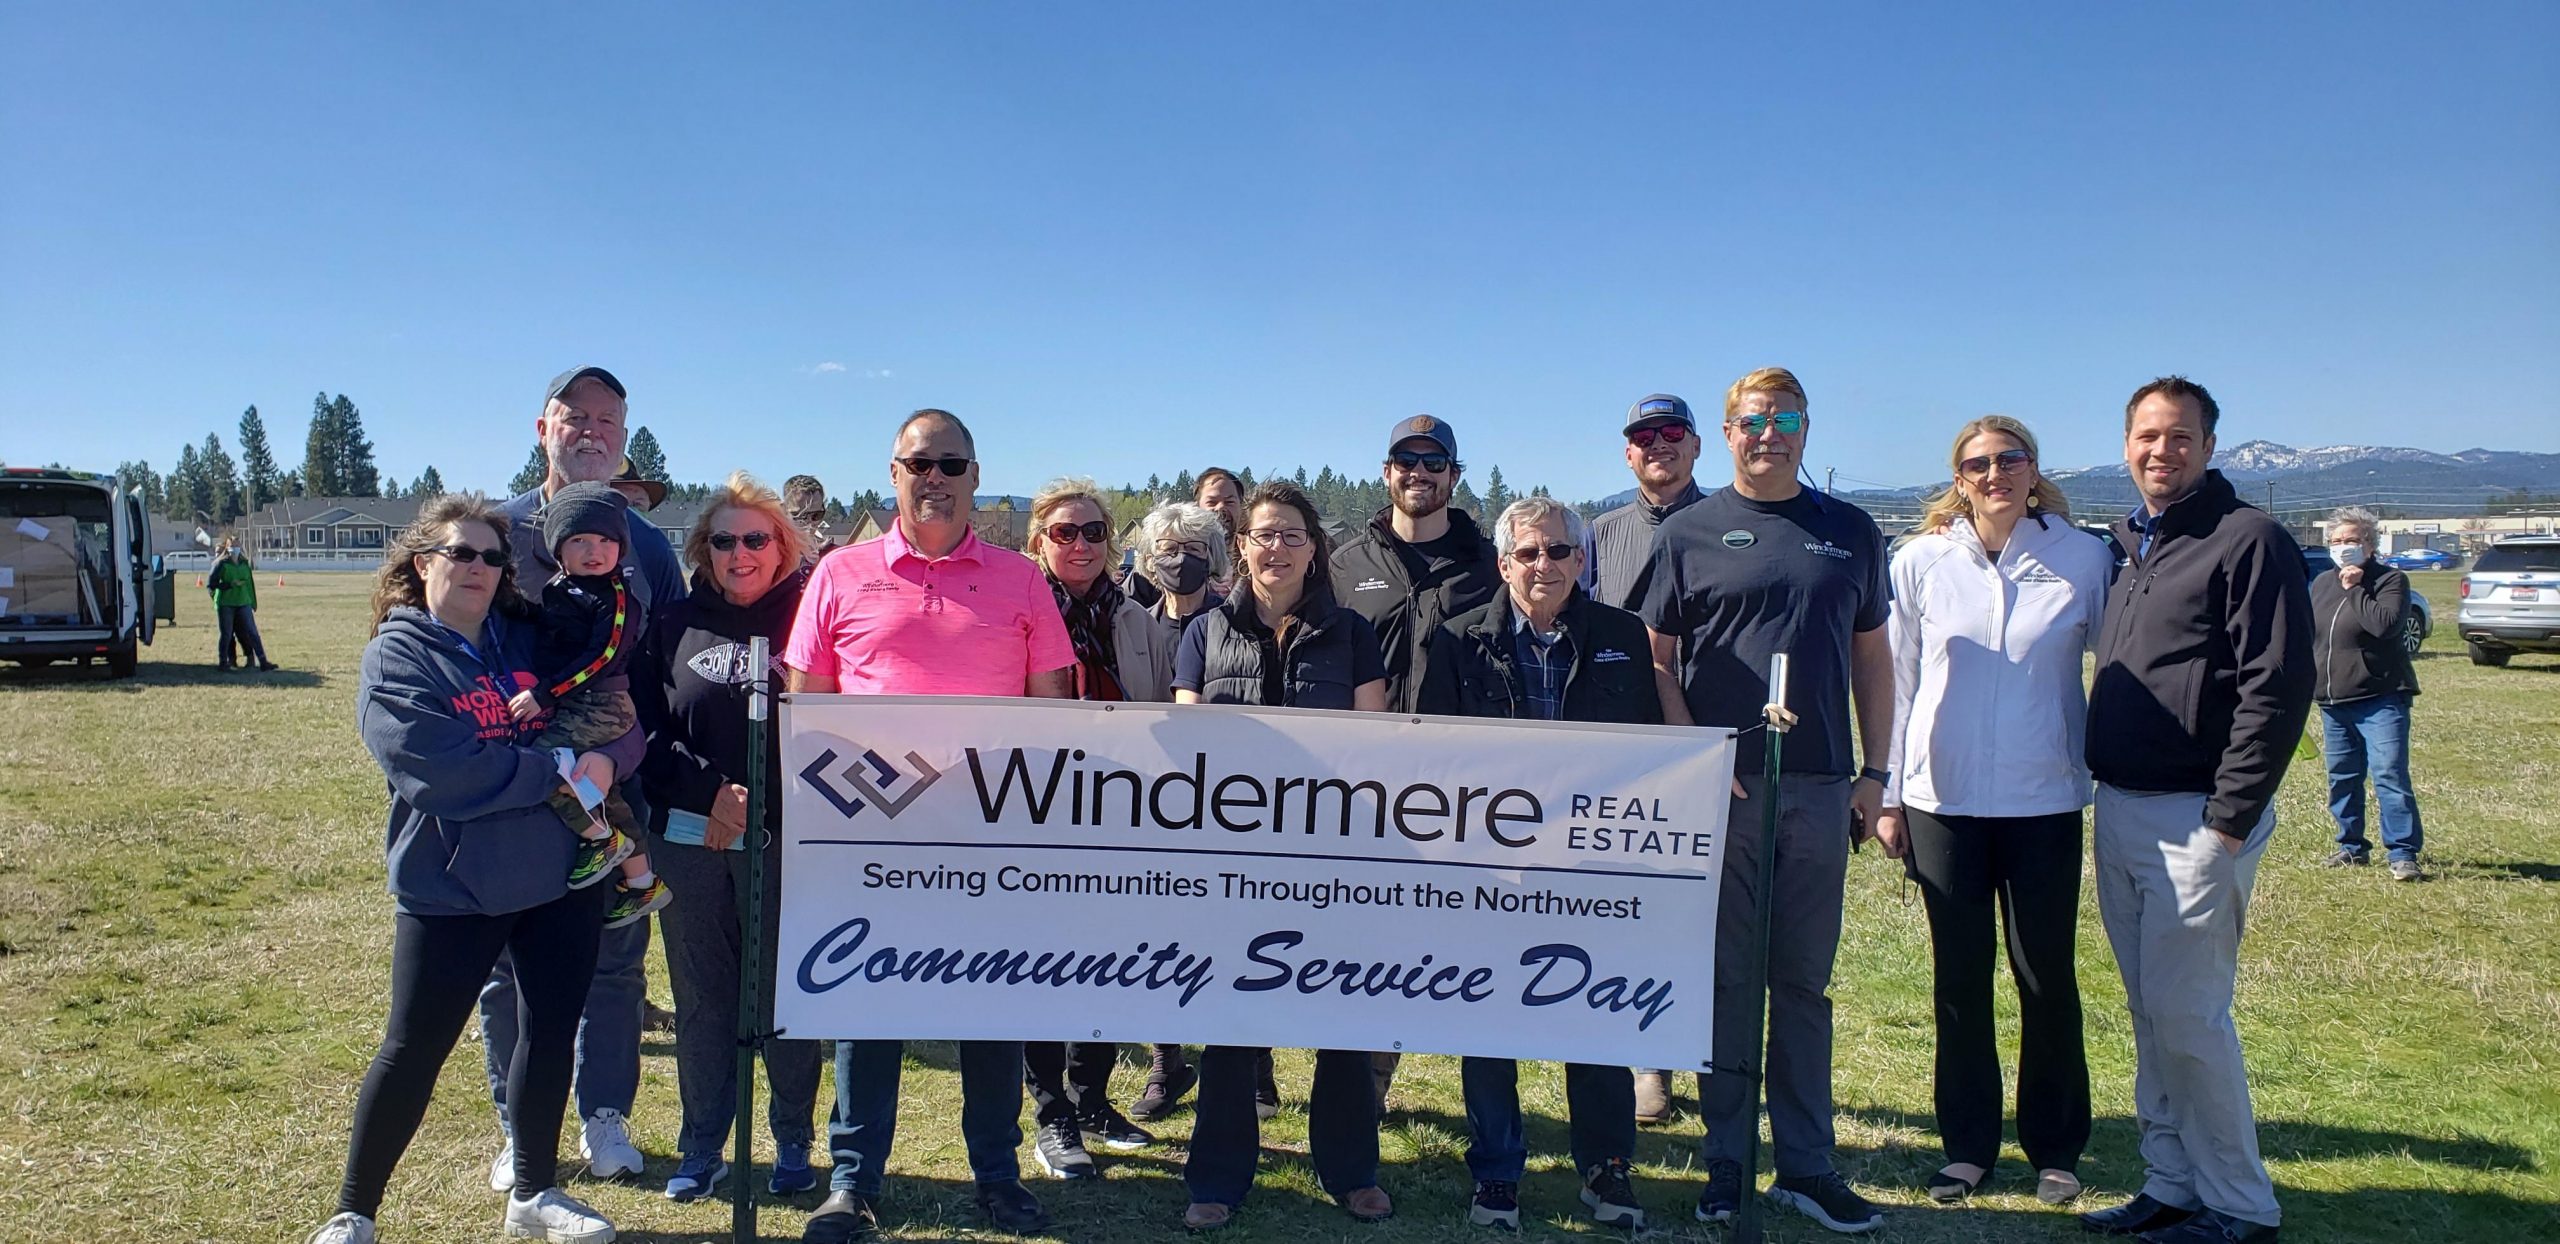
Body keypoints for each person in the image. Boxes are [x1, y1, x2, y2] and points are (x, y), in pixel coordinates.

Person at [305, 494, 635, 1244]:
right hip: (452, 885)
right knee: (414, 1047)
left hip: (560, 878)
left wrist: (606, 759)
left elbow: (613, 705)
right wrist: (552, 771)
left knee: (550, 1033)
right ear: (423, 563)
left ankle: (536, 1192)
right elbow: (439, 772)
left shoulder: (529, 636)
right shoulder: (397, 655)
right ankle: (354, 1210)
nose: (479, 568)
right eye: (462, 553)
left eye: (493, 557)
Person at [786, 409, 1074, 1242]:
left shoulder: (1022, 579)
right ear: (894, 473)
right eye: (921, 464)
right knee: (867, 1003)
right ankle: (853, 1180)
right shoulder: (839, 573)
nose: (935, 477)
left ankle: (997, 1173)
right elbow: (808, 704)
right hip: (872, 832)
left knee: (991, 1007)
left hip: (991, 831)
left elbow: (1053, 711)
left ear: (976, 476)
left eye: (951, 463)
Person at [1631, 366, 1891, 1234]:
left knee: (1803, 985)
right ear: (1728, 433)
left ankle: (1808, 1167)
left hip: (1819, 784)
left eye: (1784, 419)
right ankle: (1728, 1162)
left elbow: (1872, 661)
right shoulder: (1690, 532)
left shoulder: (1847, 531)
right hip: (1724, 791)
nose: (1768, 433)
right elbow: (1658, 659)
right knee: (1727, 982)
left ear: (1806, 430)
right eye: (1752, 420)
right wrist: (1693, 753)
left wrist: (1876, 773)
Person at [2079, 377, 2310, 1244]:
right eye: (2146, 436)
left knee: (2188, 1015)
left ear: (2210, 447)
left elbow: (2277, 686)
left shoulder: (2246, 539)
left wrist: (2231, 818)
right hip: (2123, 807)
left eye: (2179, 437)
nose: (2160, 451)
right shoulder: (2138, 541)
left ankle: (2241, 1207)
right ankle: (2171, 1182)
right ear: (2126, 444)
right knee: (2149, 1010)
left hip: (2196, 821)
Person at [1871, 417, 2109, 1207]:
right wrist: (1893, 794)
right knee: (1958, 981)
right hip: (1945, 802)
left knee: (2046, 979)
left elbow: (2112, 670)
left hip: (2044, 799)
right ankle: (1967, 1147)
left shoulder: (2081, 557)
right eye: (1978, 464)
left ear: (2034, 470)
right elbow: (1901, 681)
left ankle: (2055, 1147)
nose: (1995, 473)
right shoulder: (1921, 560)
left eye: (2011, 459)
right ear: (1959, 477)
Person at [1415, 496, 1656, 1232]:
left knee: (1597, 1010)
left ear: (1582, 561)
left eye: (1558, 552)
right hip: (1493, 867)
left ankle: (1607, 1165)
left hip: (1592, 863)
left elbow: (1650, 751)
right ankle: (1496, 1170)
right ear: (1502, 562)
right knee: (1490, 1018)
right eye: (1528, 553)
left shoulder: (1620, 636)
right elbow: (1429, 754)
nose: (1543, 565)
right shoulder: (1457, 639)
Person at [1170, 480, 1391, 1231]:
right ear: (1242, 546)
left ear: (1313, 549)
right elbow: (1186, 748)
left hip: (1330, 858)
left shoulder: (1355, 633)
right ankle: (1218, 1177)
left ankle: (1352, 1169)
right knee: (1231, 1022)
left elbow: (1374, 749)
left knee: (1343, 1021)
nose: (1277, 547)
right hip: (1235, 864)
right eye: (1264, 534)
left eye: (1293, 535)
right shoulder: (1203, 634)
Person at [485, 366, 683, 1189]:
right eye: (577, 416)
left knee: (612, 958)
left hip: (613, 777)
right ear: (543, 427)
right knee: (507, 967)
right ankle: (517, 1129)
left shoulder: (647, 545)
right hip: (512, 787)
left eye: (610, 419)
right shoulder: (494, 533)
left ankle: (606, 1116)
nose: (593, 430)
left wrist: (619, 759)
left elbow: (663, 678)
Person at [633, 472, 822, 1204]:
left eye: (756, 538)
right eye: (723, 540)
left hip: (789, 841)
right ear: (702, 549)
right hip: (691, 837)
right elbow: (643, 732)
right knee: (704, 994)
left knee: (784, 994)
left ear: (781, 547)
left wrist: (758, 802)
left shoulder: (810, 618)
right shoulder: (672, 626)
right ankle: (703, 1141)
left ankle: (794, 1139)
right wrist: (710, 793)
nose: (740, 553)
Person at [1330, 414, 1499, 1107]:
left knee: (1444, 942)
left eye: (1435, 464)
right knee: (1360, 938)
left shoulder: (1491, 565)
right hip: (1360, 783)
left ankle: (1471, 1106)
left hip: (1459, 785)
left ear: (1454, 476)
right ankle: (1353, 1092)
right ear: (1386, 470)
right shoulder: (1344, 564)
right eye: (1406, 460)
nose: (1419, 474)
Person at [1015, 477, 1175, 1181]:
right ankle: (1050, 1111)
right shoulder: (1017, 611)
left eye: (1093, 532)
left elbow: (1167, 712)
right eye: (1063, 532)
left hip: (1121, 811)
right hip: (1039, 808)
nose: (1079, 544)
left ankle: (1092, 1099)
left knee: (1108, 963)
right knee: (1046, 965)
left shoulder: (1140, 620)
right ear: (1038, 542)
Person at [1586, 393, 1708, 1125]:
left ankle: (1694, 1052)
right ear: (1627, 452)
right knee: (1632, 906)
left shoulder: (1726, 520)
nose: (1656, 445)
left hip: (1706, 730)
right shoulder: (1601, 531)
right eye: (1642, 436)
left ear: (1696, 445)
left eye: (1670, 433)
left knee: (1694, 911)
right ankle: (1645, 1062)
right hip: (1627, 736)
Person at [507, 482, 670, 930]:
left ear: (621, 547)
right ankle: (640, 881)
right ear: (559, 550)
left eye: (606, 541)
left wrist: (545, 693)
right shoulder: (565, 588)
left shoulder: (617, 598)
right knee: (604, 793)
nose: (594, 551)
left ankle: (599, 838)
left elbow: (602, 659)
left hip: (602, 703)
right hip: (579, 702)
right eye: (579, 540)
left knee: (545, 766)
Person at [1120, 501, 1231, 1126]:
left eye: (1192, 548)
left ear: (1212, 555)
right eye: (1166, 548)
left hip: (1221, 800)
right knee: (1157, 936)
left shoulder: (1230, 622)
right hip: (1146, 800)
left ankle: (1250, 1069)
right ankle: (1168, 1061)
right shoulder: (1133, 622)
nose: (1178, 560)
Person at [2312, 505, 2425, 882]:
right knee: (2342, 776)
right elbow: (2313, 637)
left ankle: (2403, 852)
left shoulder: (2390, 581)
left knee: (2389, 774)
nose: (2343, 547)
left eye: (2351, 541)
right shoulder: (2321, 585)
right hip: (2333, 700)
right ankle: (2351, 847)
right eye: (2336, 541)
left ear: (2370, 545)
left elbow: (2384, 626)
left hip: (2380, 697)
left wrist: (2355, 587)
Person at [207, 537, 279, 671]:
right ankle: (224, 662)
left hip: (243, 602)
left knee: (252, 632)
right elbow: (211, 585)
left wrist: (253, 602)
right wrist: (228, 585)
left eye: (237, 545)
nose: (235, 548)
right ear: (227, 547)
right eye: (233, 545)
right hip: (226, 603)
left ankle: (263, 661)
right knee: (227, 634)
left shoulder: (245, 564)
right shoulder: (220, 564)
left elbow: (250, 584)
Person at [783, 474, 841, 563]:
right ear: (784, 512)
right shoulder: (773, 556)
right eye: (800, 516)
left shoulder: (833, 556)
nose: (809, 523)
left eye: (816, 515)